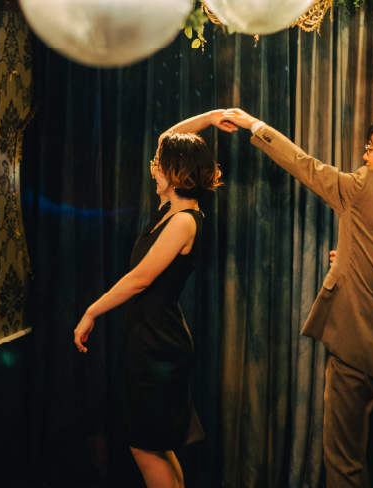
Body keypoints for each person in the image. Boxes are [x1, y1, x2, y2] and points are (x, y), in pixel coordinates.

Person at [220, 109, 373, 487]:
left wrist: (254, 125)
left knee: (344, 460)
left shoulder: (366, 187)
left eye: (371, 149)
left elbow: (305, 166)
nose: (365, 157)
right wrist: (354, 259)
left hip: (355, 345)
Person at [74, 110, 235, 488]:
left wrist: (90, 312)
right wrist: (211, 118)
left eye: (159, 165)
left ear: (176, 173)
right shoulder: (172, 211)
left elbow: (139, 280)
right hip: (152, 338)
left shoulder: (183, 221)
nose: (152, 167)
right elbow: (167, 138)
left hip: (158, 344)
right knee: (157, 445)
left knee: (146, 446)